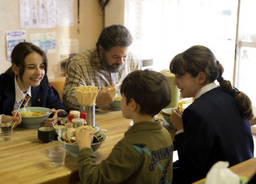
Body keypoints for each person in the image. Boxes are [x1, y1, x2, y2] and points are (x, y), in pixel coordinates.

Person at [169, 45, 254, 184]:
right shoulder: (231, 93)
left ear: (201, 77)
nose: (175, 82)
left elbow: (191, 168)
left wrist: (181, 129)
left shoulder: (195, 112)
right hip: (243, 172)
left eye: (179, 77)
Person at [75, 69, 174, 184]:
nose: (121, 101)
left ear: (132, 104)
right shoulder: (165, 134)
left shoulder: (130, 147)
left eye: (122, 97)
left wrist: (85, 147)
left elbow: (93, 179)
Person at [0, 42, 69, 131]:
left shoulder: (42, 84)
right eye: (31, 67)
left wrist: (57, 116)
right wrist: (1, 120)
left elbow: (60, 107)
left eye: (41, 67)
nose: (39, 73)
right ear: (15, 69)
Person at [63, 24, 141, 110]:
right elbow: (68, 99)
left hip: (124, 117)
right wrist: (94, 100)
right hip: (93, 120)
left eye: (124, 57)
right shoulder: (79, 63)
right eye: (115, 57)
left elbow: (142, 88)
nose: (121, 62)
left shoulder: (132, 60)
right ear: (101, 49)